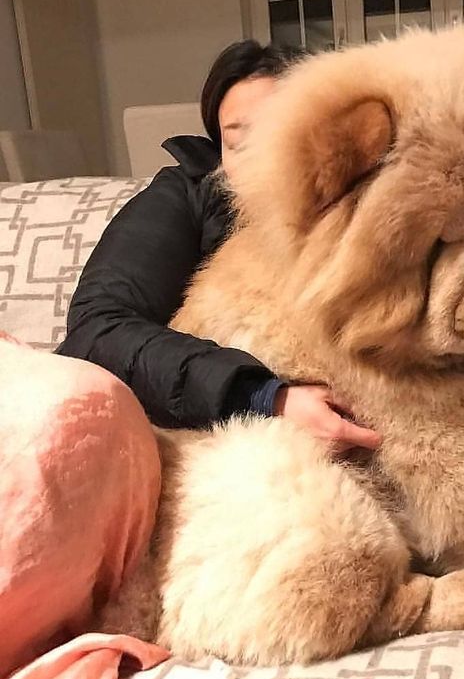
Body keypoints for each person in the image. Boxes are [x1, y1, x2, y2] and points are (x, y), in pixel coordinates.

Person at [57, 40, 381, 454]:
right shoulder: (183, 195)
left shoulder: (353, 209)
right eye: (238, 143)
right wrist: (264, 397)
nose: (259, 160)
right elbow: (97, 329)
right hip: (198, 430)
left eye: (276, 135)